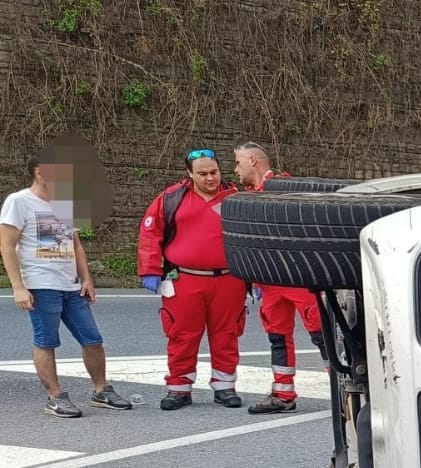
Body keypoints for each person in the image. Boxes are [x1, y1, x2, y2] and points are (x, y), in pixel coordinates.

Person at [0, 151, 131, 417]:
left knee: (92, 339)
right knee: (46, 341)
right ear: (40, 173)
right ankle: (55, 395)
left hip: (71, 286)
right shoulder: (18, 201)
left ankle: (101, 390)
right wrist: (18, 287)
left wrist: (87, 279)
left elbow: (76, 246)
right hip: (40, 283)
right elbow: (7, 245)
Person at [136, 149, 247, 411]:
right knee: (181, 334)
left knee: (227, 333)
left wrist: (258, 277)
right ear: (189, 174)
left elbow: (252, 239)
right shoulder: (171, 199)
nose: (210, 178)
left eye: (214, 172)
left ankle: (224, 386)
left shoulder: (236, 198)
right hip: (185, 278)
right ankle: (179, 388)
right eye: (203, 174)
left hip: (230, 279)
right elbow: (151, 233)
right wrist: (150, 269)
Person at [232, 141, 326, 414]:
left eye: (238, 162)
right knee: (278, 337)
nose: (235, 169)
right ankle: (283, 393)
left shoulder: (287, 189)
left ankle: (345, 393)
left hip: (300, 279)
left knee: (323, 336)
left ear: (252, 160)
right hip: (270, 284)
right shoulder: (249, 198)